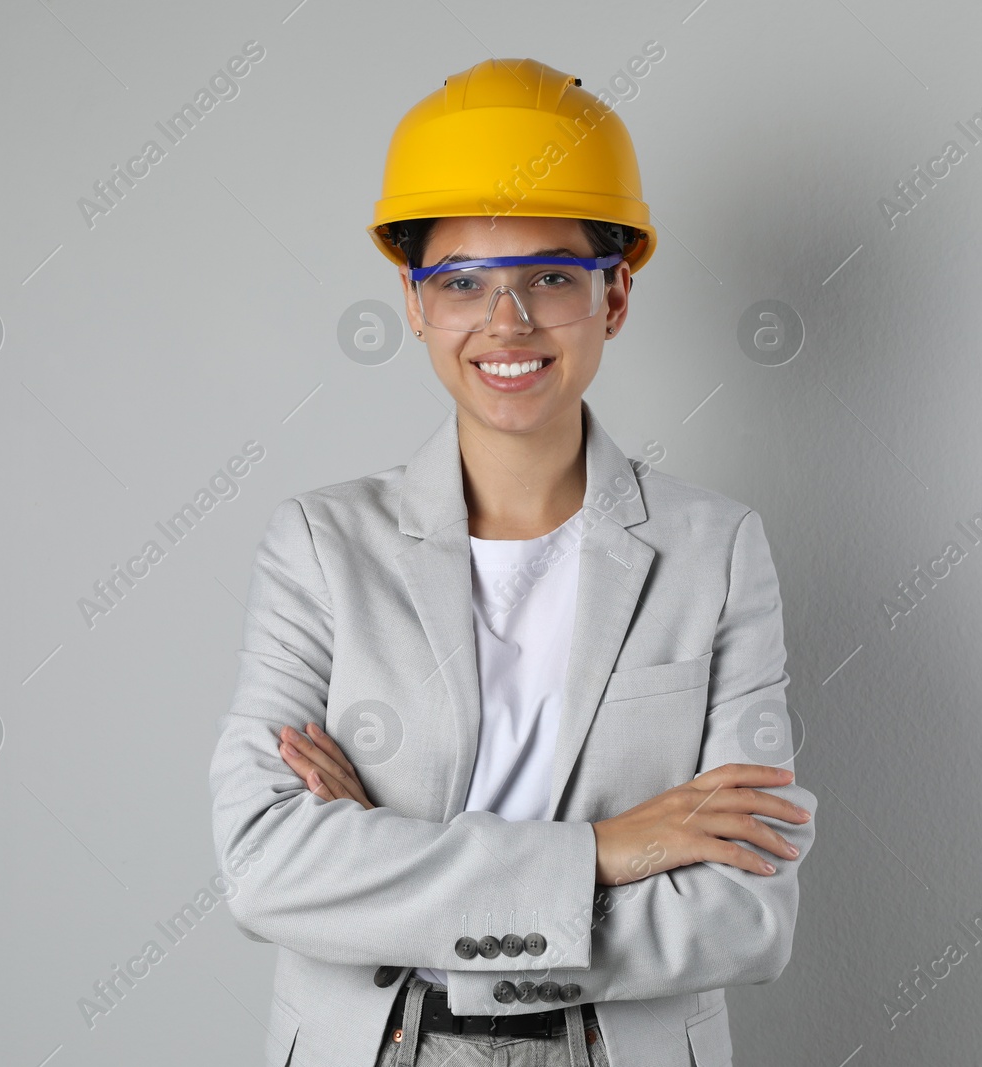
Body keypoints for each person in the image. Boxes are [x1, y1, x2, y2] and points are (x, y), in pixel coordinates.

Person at [208, 57, 816, 1067]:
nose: (507, 322)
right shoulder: (319, 546)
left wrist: (406, 892)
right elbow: (265, 867)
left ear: (613, 295)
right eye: (462, 284)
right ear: (414, 303)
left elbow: (745, 913)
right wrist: (610, 851)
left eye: (549, 276)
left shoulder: (716, 550)